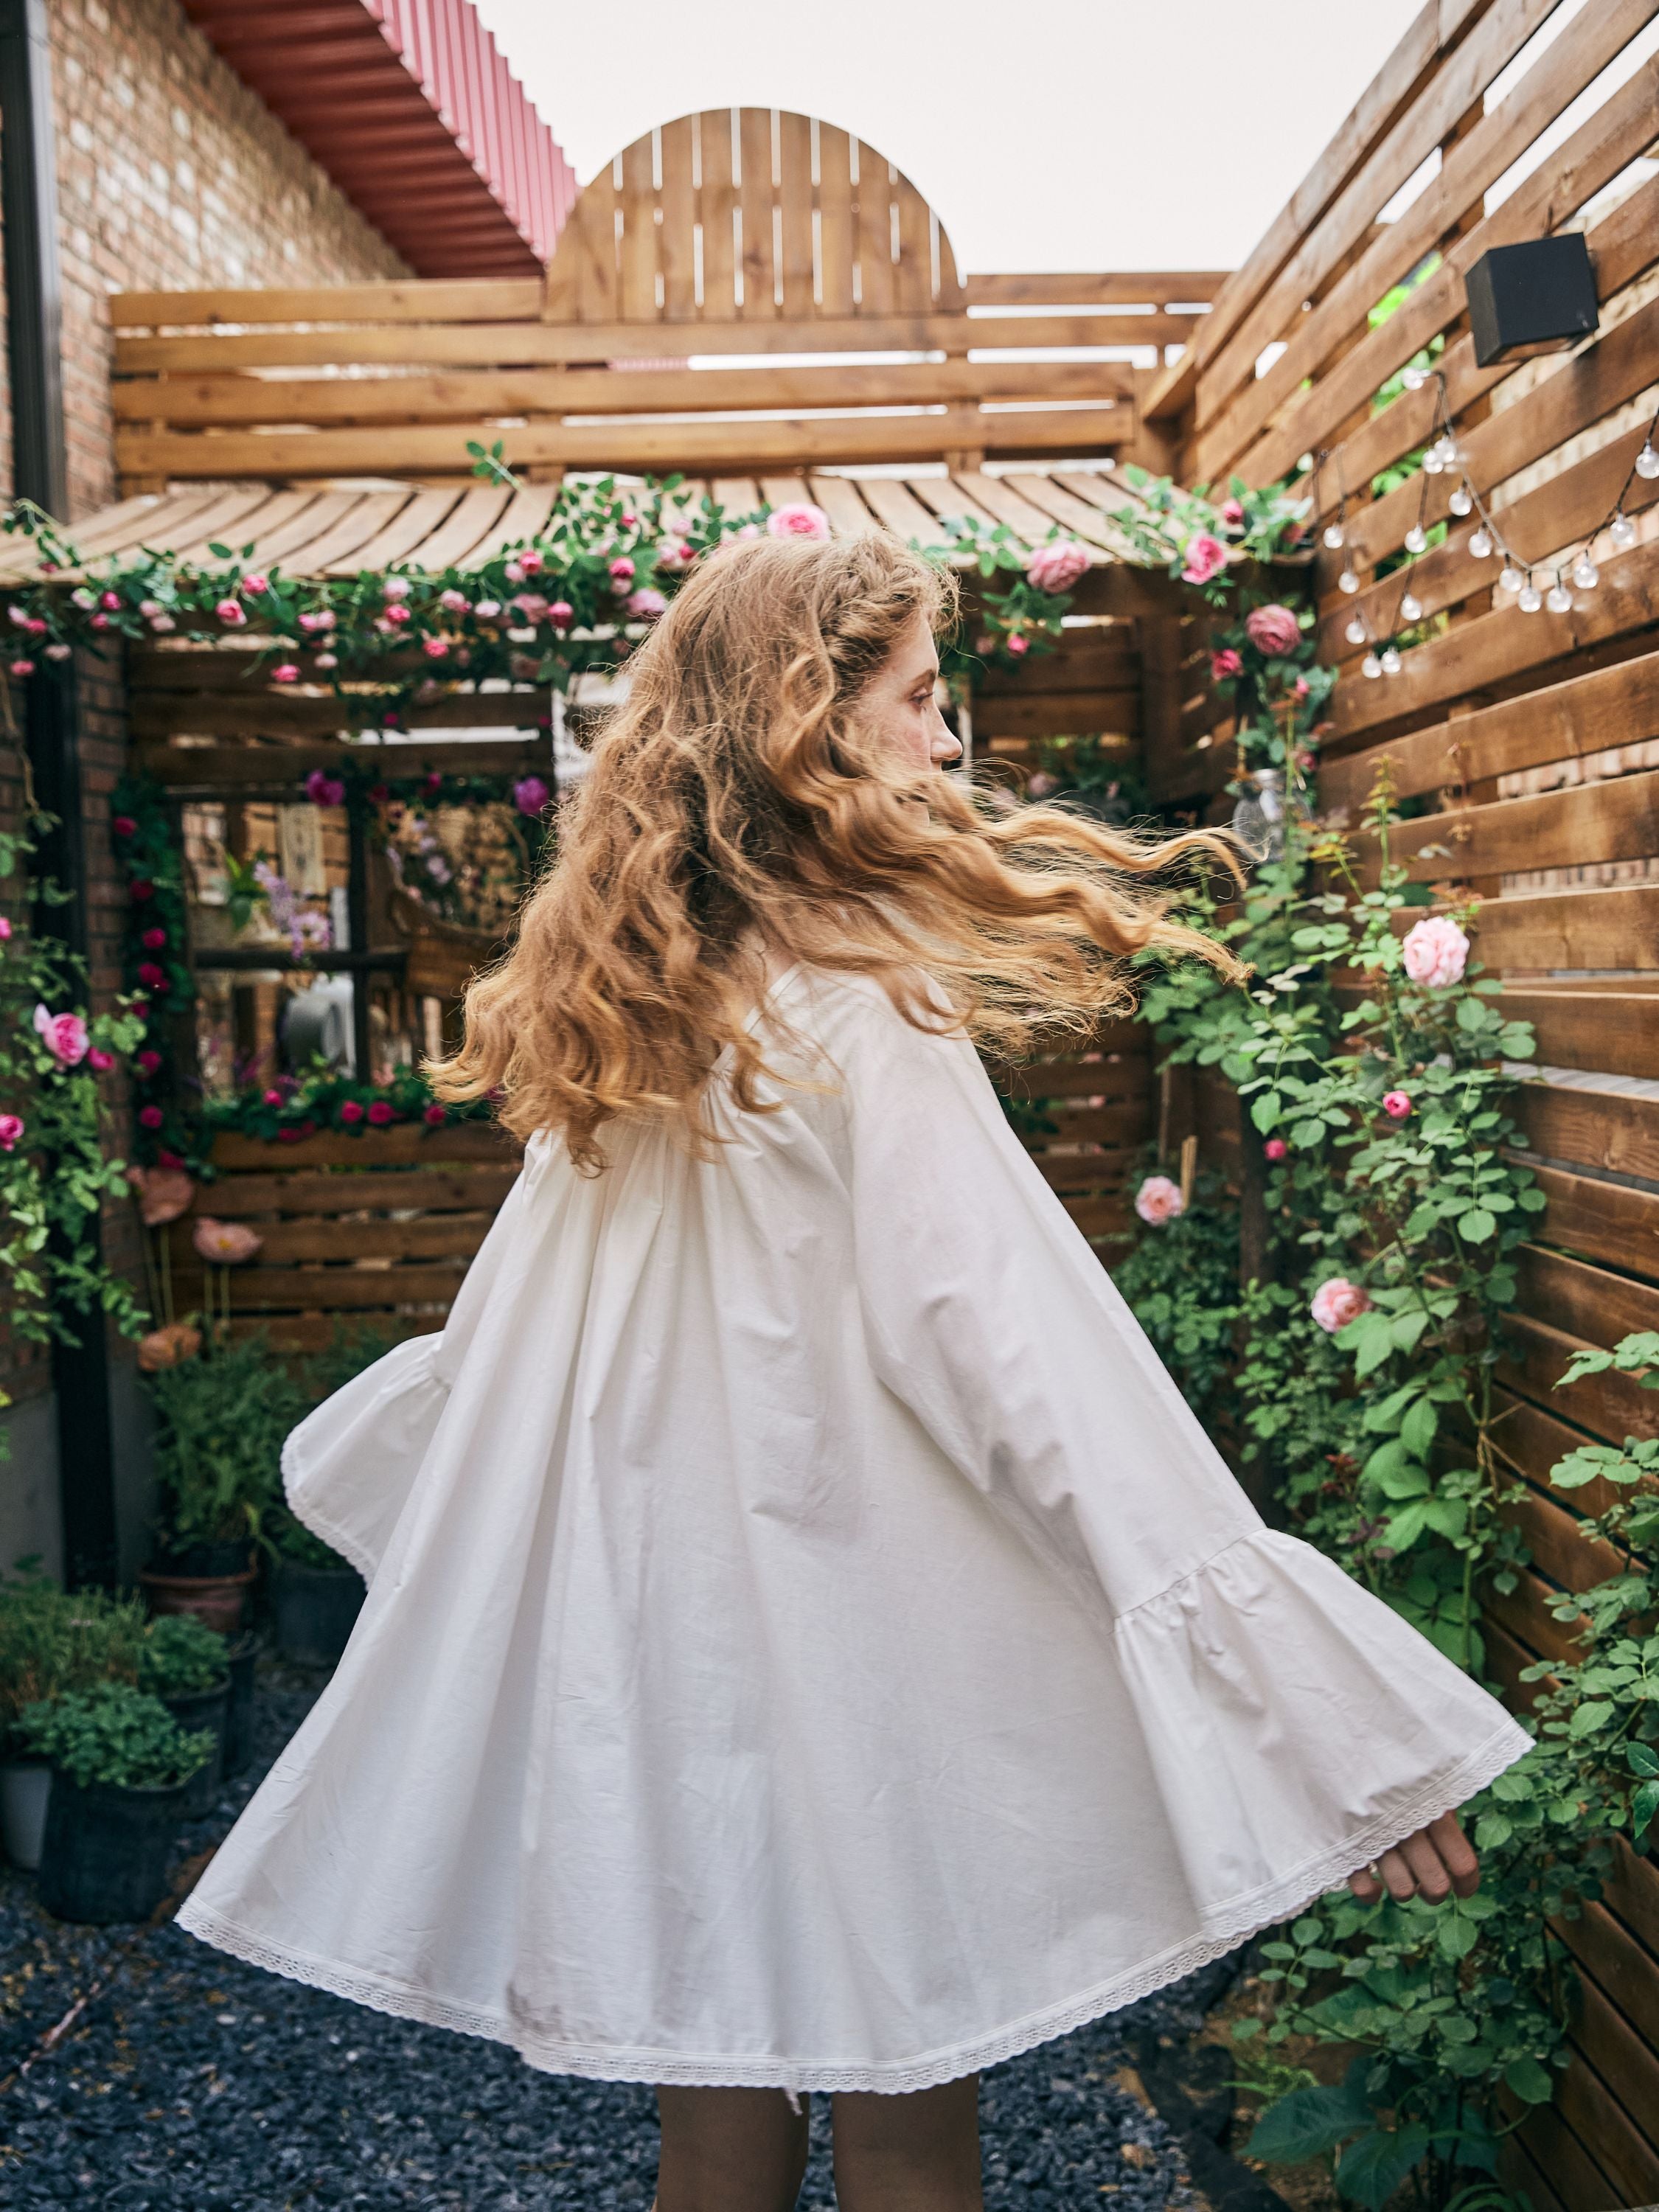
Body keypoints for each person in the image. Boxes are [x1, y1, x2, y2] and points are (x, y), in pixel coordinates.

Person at [177, 532, 1532, 2212]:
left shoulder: (644, 996)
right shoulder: (855, 1000)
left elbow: (526, 1338)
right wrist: (1314, 1719)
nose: (950, 741)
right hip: (858, 1654)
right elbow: (1019, 1356)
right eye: (921, 699)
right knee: (907, 2114)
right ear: (807, 719)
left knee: (714, 2125)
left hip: (670, 1650)